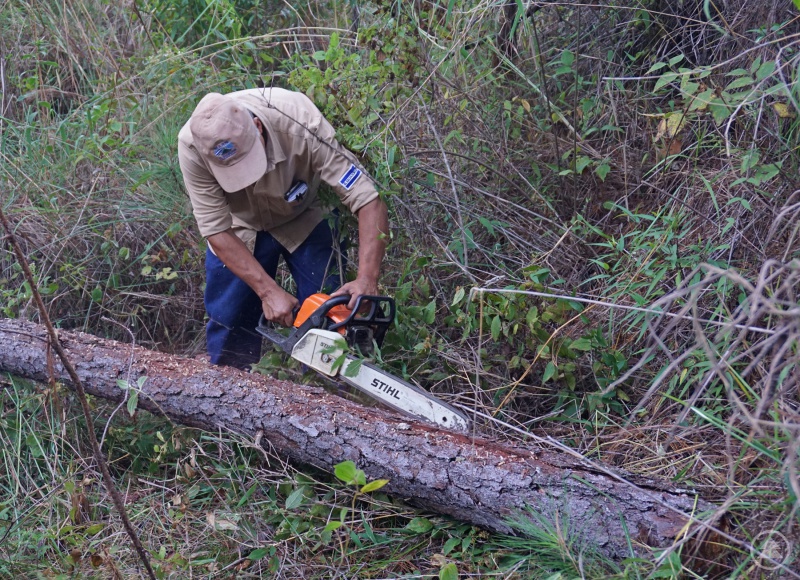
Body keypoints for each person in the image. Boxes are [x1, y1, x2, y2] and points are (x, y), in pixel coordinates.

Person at [178, 87, 389, 370]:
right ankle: (229, 393)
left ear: (257, 126)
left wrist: (367, 278)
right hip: (240, 226)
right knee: (230, 319)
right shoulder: (193, 145)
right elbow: (216, 229)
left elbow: (367, 198)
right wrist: (267, 292)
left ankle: (327, 390)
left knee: (331, 312)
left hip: (303, 213)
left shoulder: (300, 122)